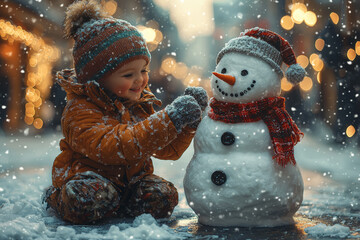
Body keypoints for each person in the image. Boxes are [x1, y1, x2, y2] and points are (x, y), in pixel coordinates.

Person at [42, 0, 208, 224]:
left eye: (143, 70)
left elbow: (166, 149)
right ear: (99, 78)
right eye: (128, 75)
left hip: (130, 182)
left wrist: (185, 123)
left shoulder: (137, 104)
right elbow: (115, 146)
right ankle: (57, 197)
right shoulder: (80, 109)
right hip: (89, 178)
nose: (140, 80)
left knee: (162, 198)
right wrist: (169, 119)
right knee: (88, 199)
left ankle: (123, 199)